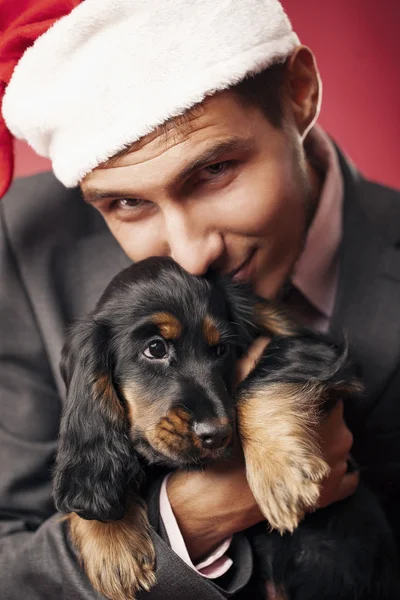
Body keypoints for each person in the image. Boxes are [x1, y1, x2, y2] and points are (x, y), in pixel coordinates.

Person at [0, 1, 399, 598]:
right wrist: (186, 521)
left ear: (300, 92)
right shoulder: (23, 242)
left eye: (214, 169)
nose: (189, 257)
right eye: (126, 203)